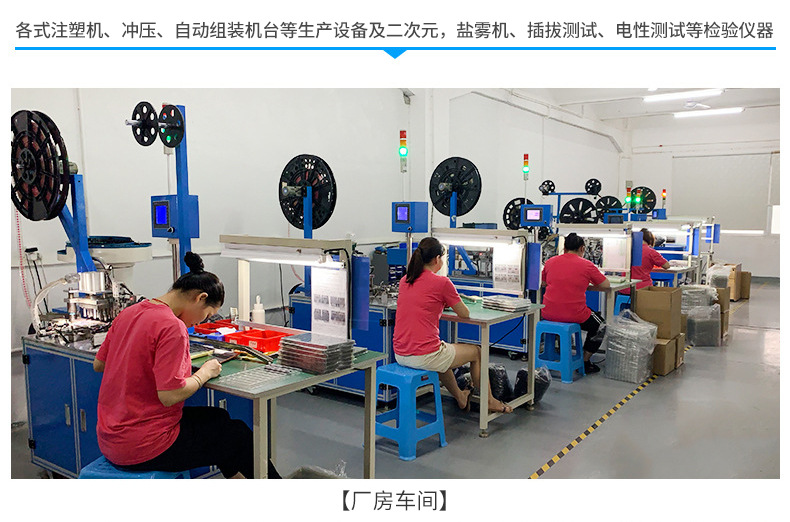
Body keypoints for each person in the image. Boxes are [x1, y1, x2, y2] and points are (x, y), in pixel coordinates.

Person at [92, 252, 279, 479]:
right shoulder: (172, 326)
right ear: (200, 298)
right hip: (145, 446)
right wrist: (204, 373)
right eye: (206, 314)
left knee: (219, 419)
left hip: (111, 437)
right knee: (237, 436)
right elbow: (170, 395)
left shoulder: (130, 312)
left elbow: (99, 364)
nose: (200, 322)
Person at [393, 237, 512, 414]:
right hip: (424, 355)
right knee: (477, 352)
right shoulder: (442, 283)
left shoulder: (405, 280)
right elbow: (464, 313)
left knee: (444, 353)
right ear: (437, 259)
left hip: (400, 353)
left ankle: (461, 397)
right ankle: (489, 401)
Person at [541, 233, 611, 374]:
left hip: (548, 312)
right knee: (601, 325)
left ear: (564, 248)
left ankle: (555, 352)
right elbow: (605, 285)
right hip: (573, 314)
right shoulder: (586, 265)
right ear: (582, 248)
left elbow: (543, 283)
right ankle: (585, 361)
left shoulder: (550, 262)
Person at [620, 228, 671, 294]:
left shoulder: (627, 249)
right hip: (642, 289)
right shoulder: (651, 252)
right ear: (650, 240)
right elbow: (667, 266)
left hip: (624, 288)